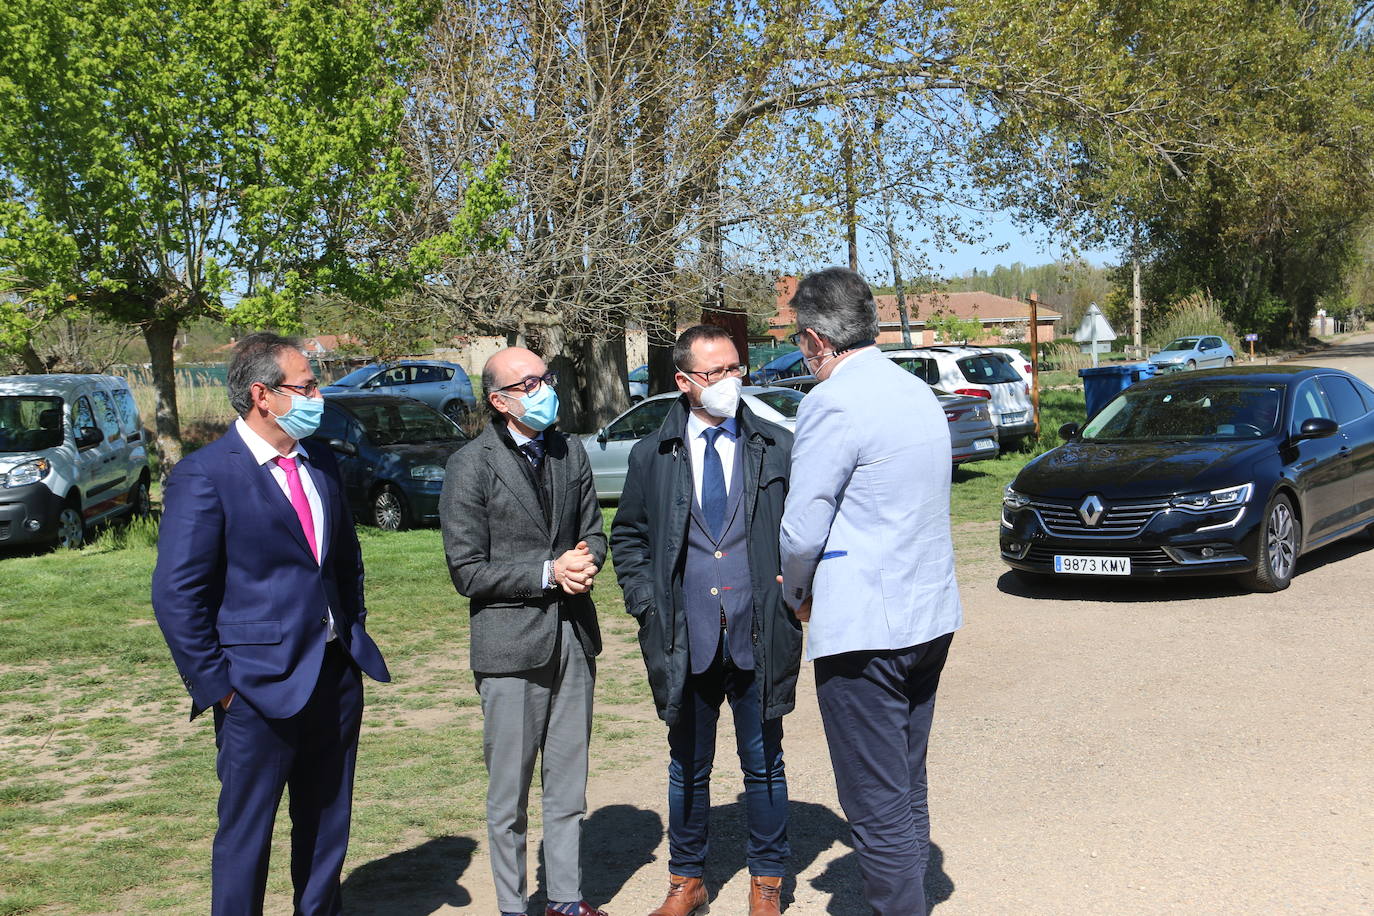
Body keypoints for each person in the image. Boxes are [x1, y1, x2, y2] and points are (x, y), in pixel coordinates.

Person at [152, 332, 391, 916]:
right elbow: (177, 595)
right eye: (306, 386)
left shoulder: (322, 461)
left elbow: (343, 562)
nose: (319, 395)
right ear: (262, 394)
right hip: (254, 692)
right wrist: (220, 689)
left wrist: (349, 631)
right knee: (246, 840)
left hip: (334, 679)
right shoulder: (206, 475)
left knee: (326, 828)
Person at [778, 268, 963, 916]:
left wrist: (796, 594)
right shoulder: (917, 392)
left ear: (813, 340)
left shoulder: (831, 402)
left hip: (867, 631)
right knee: (905, 786)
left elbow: (801, 530)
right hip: (928, 615)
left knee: (875, 804)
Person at [611, 325, 800, 916]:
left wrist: (795, 591)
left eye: (735, 369)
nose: (729, 382)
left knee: (763, 763)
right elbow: (631, 537)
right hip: (682, 635)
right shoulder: (653, 454)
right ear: (685, 382)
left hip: (758, 629)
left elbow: (804, 529)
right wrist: (647, 605)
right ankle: (686, 879)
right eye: (715, 373)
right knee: (687, 766)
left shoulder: (775, 445)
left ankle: (766, 881)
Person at [440, 347, 609, 916]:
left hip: (573, 639)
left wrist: (586, 562)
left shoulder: (569, 450)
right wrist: (547, 573)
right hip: (509, 648)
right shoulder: (470, 464)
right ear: (499, 400)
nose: (544, 388)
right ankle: (513, 906)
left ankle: (565, 899)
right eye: (528, 381)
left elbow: (593, 531)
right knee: (508, 793)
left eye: (546, 377)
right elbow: (467, 571)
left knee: (568, 785)